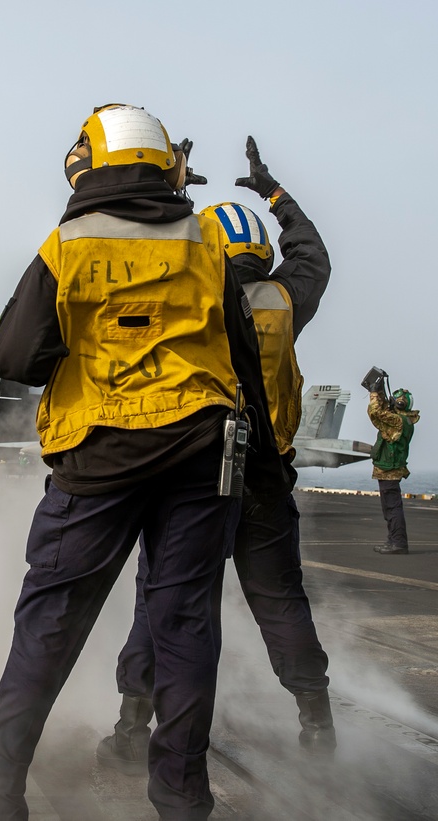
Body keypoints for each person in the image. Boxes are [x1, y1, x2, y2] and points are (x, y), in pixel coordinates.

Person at [0, 104, 288, 821]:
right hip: (201, 459)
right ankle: (183, 802)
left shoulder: (69, 241)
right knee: (186, 629)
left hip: (98, 459)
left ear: (88, 161)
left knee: (47, 632)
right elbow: (247, 367)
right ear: (166, 164)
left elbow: (8, 356)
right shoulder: (204, 242)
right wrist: (269, 481)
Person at [96, 138, 336, 779]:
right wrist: (274, 191)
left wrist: (172, 187)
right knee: (282, 601)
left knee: (162, 601)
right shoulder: (285, 303)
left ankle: (129, 729)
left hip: (191, 477)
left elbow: (150, 248)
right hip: (265, 482)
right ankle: (318, 727)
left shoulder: (189, 296)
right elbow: (311, 254)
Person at [367, 381, 419, 554]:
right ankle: (393, 541)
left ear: (399, 403)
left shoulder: (398, 421)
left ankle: (398, 543)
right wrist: (379, 394)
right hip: (388, 468)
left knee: (392, 506)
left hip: (389, 469)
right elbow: (383, 413)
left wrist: (374, 394)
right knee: (389, 507)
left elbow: (375, 414)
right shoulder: (403, 419)